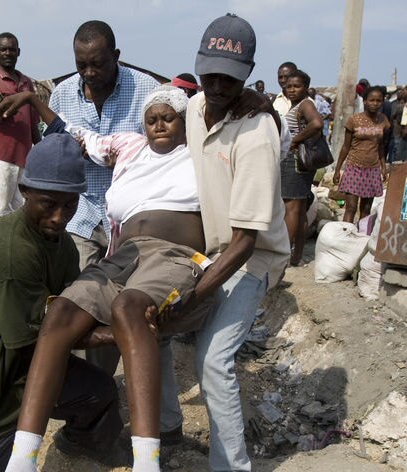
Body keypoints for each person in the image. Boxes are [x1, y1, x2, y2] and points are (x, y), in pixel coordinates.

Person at [0, 86, 207, 472]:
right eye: (151, 118)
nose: (159, 124)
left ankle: (147, 464)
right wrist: (32, 101)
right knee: (60, 312)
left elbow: (234, 118)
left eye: (169, 117)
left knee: (128, 308)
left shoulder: (199, 151)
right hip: (123, 255)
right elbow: (73, 133)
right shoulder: (129, 148)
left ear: (186, 121)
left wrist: (258, 103)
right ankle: (21, 461)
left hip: (174, 254)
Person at [0, 133, 130, 471]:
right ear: (24, 191)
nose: (58, 216)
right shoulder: (9, 254)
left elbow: (71, 309)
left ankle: (76, 451)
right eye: (47, 203)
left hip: (26, 370)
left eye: (68, 204)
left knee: (99, 392)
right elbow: (42, 340)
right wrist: (119, 333)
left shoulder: (61, 244)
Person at [175, 14, 289, 471]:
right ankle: (164, 432)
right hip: (211, 249)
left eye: (231, 76)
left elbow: (246, 241)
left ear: (247, 73)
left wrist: (193, 295)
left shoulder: (257, 131)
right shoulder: (191, 109)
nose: (218, 84)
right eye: (211, 73)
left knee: (212, 362)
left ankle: (230, 466)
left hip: (251, 258)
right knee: (155, 331)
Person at [47, 19, 159, 385]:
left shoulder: (147, 91)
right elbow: (48, 149)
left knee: (116, 304)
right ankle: (78, 383)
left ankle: (100, 383)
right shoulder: (62, 95)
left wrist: (125, 153)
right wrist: (69, 148)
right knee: (77, 302)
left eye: (98, 63)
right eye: (81, 65)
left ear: (116, 56)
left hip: (128, 220)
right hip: (79, 215)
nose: (89, 73)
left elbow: (167, 149)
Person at [0, 32, 40, 221]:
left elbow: (33, 124)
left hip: (25, 158)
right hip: (1, 156)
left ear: (18, 52)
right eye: (3, 49)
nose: (7, 53)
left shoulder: (27, 82)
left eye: (12, 49)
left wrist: (42, 151)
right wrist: (1, 109)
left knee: (23, 214)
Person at [281, 70, 323, 267]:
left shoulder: (305, 104)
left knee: (292, 209)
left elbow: (317, 123)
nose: (291, 89)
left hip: (295, 161)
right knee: (298, 210)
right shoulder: (298, 105)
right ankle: (295, 256)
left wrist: (294, 140)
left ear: (305, 87)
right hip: (299, 162)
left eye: (296, 86)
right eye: (289, 86)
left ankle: (282, 257)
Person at [334, 85, 390, 223]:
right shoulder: (353, 120)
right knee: (351, 208)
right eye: (372, 100)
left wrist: (383, 167)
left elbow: (381, 146)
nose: (375, 103)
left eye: (378, 101)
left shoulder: (384, 121)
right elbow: (345, 147)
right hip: (354, 168)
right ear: (364, 101)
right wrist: (337, 170)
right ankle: (346, 236)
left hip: (372, 169)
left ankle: (361, 240)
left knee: (366, 210)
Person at [391, 87, 407, 163]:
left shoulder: (399, 107)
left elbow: (393, 116)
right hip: (401, 131)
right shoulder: (403, 106)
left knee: (398, 151)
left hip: (399, 131)